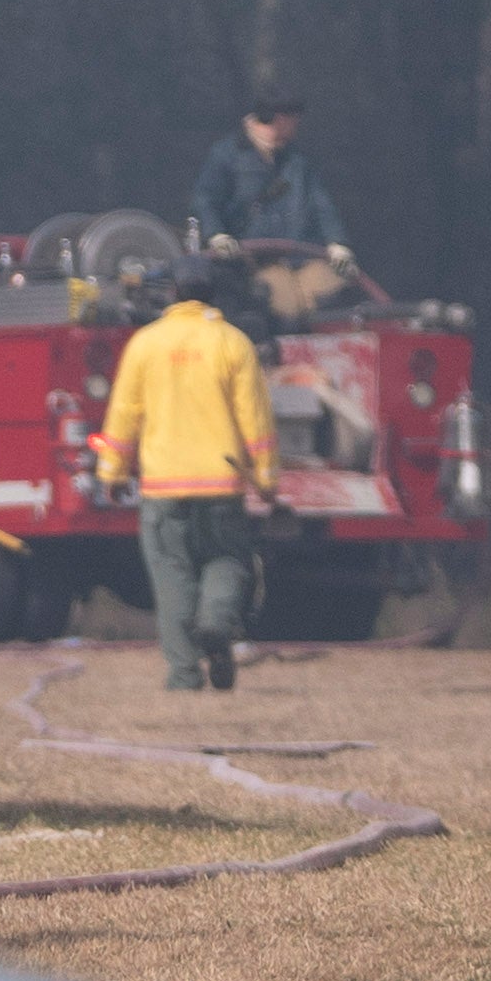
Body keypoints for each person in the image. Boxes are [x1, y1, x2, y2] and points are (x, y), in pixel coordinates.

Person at [93, 263, 275, 692]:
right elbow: (256, 417)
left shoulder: (145, 344)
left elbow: (123, 414)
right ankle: (215, 623)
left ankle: (184, 675)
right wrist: (265, 478)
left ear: (172, 293)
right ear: (212, 294)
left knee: (172, 580)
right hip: (221, 483)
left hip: (163, 487)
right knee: (228, 562)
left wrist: (112, 474)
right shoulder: (233, 343)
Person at [188, 99, 357, 319]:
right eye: (292, 121)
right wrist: (217, 235)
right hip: (256, 264)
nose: (295, 127)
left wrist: (337, 244)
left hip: (302, 259)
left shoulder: (297, 161)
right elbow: (205, 199)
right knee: (283, 306)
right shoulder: (226, 156)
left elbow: (321, 204)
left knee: (333, 293)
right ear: (278, 120)